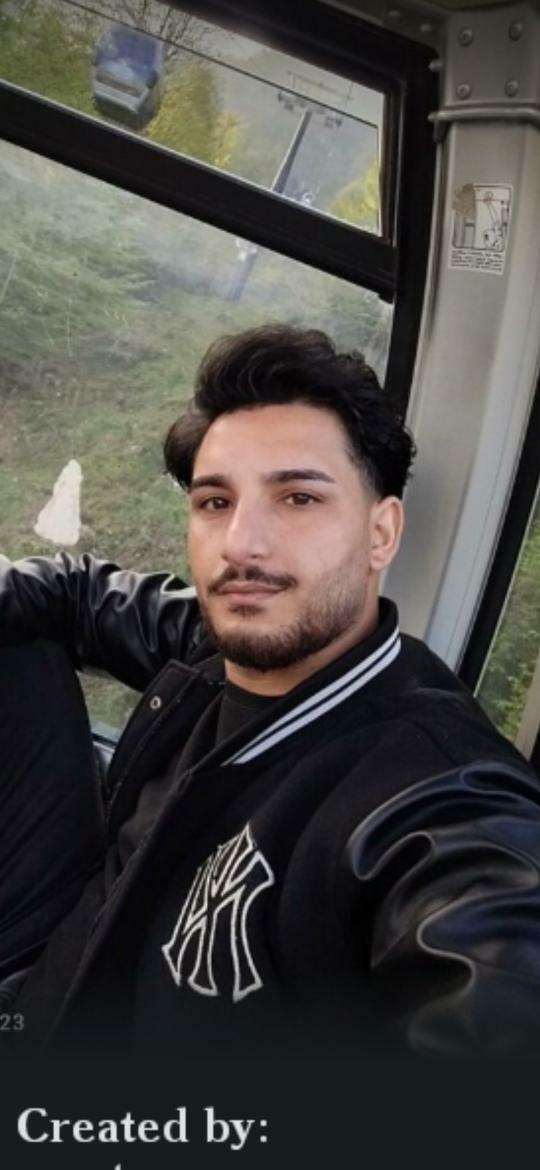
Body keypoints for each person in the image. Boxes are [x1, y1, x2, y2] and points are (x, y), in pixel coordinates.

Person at [1, 324, 540, 1057]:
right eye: (214, 503)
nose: (241, 545)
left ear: (381, 533)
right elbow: (75, 591)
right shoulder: (216, 643)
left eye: (298, 499)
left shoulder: (436, 793)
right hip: (43, 972)